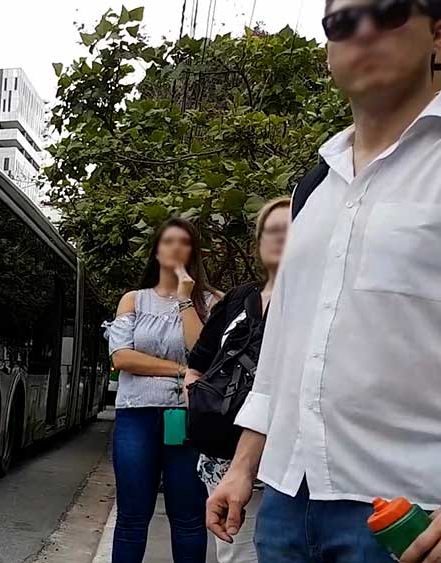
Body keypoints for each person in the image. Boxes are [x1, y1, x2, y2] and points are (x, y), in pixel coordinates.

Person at [206, 1, 441, 562]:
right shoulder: (313, 190)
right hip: (286, 505)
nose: (363, 32)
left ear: (437, 33)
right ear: (329, 53)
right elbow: (284, 350)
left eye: (387, 12)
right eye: (342, 22)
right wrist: (243, 468)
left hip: (409, 515)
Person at [182, 197, 290, 563]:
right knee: (235, 554)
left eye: (290, 229)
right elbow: (197, 363)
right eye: (271, 230)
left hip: (284, 465)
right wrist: (199, 403)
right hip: (223, 459)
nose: (280, 237)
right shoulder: (240, 298)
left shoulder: (317, 301)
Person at [107, 217, 218, 563]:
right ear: (156, 251)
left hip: (185, 419)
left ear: (194, 252)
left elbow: (206, 352)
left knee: (187, 516)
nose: (176, 248)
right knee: (132, 515)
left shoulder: (210, 302)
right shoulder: (134, 300)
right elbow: (121, 356)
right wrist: (182, 369)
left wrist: (187, 299)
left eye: (184, 242)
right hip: (135, 416)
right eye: (168, 241)